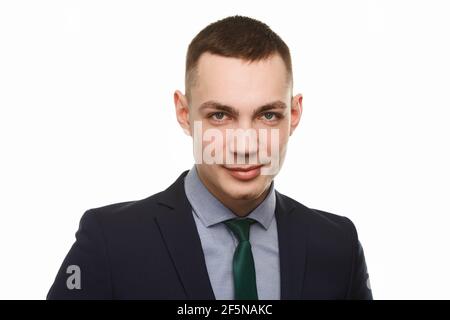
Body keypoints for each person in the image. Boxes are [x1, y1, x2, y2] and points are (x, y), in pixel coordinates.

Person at [47, 15, 372, 300]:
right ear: (184, 113)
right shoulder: (111, 241)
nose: (245, 145)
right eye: (220, 115)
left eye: (268, 115)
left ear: (295, 114)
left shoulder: (338, 245)